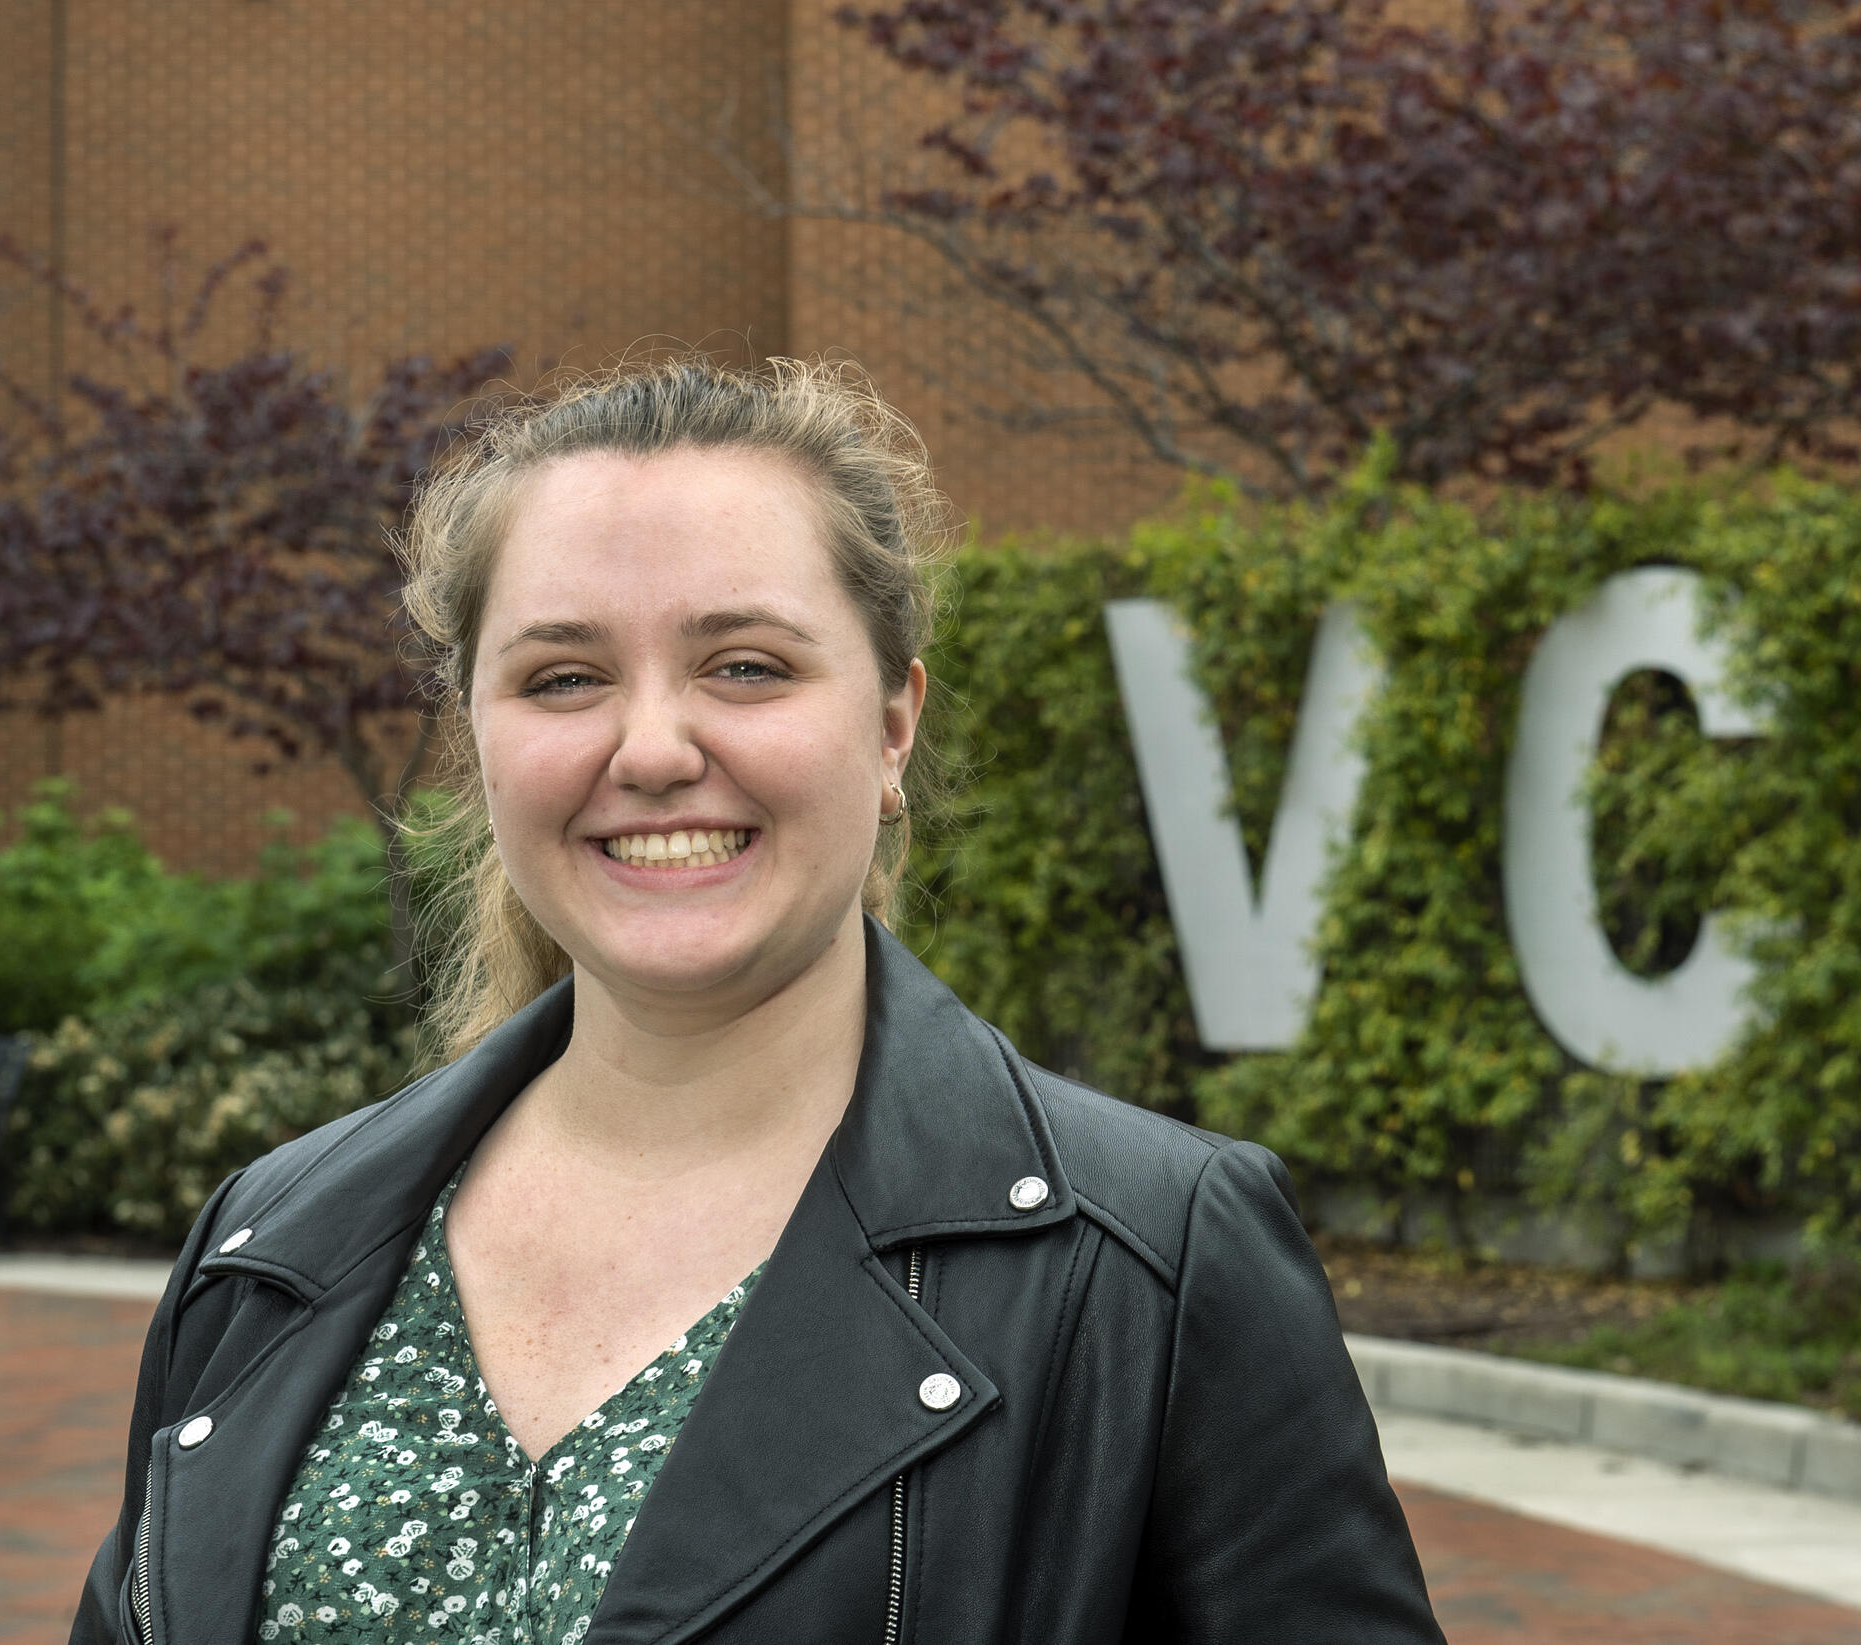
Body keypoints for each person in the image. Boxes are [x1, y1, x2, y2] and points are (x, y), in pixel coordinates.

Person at [71, 359, 1446, 1645]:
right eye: (564, 677)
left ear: (893, 724)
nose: (654, 748)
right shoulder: (270, 1244)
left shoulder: (1151, 1260)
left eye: (747, 666)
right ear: (477, 735)